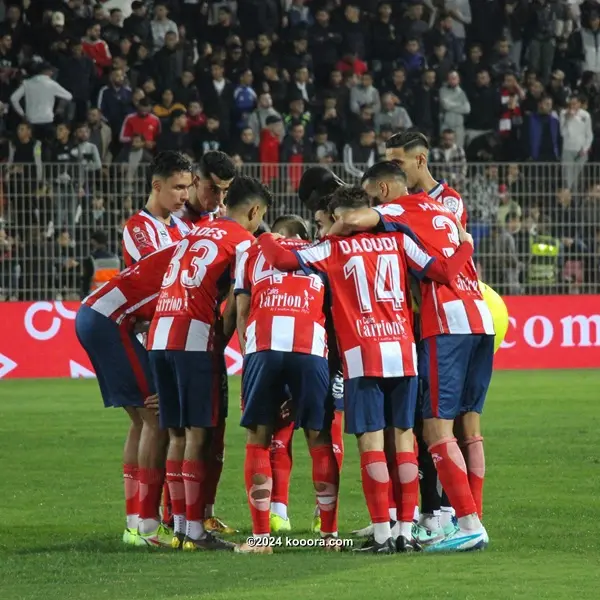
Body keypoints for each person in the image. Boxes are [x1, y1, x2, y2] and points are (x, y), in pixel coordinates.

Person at [258, 185, 475, 553]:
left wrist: (265, 236)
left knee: (372, 445)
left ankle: (381, 536)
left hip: (363, 355)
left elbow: (279, 260)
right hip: (403, 353)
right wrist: (466, 243)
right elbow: (442, 270)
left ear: (341, 217)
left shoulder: (333, 247)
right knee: (405, 442)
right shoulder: (398, 241)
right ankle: (406, 531)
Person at [331, 156, 495, 552]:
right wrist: (467, 246)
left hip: (446, 322)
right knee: (467, 428)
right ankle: (466, 519)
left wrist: (335, 227)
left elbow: (355, 221)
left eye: (371, 196)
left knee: (436, 428)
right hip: (482, 318)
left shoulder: (393, 210)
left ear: (383, 190)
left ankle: (468, 524)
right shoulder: (439, 209)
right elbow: (455, 256)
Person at [147, 176, 271, 551]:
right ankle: (195, 532)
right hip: (193, 336)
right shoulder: (244, 243)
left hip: (160, 332)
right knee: (199, 434)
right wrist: (222, 342)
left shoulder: (195, 231)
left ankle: (182, 528)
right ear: (254, 211)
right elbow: (236, 302)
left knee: (177, 434)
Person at [233, 213, 340, 554]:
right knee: (319, 439)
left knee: (259, 438)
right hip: (310, 347)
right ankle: (329, 537)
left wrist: (248, 361)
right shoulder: (320, 253)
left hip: (263, 345)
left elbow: (241, 311)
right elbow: (335, 315)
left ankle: (262, 539)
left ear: (278, 233)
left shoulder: (252, 251)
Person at [76, 243, 179, 547]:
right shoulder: (202, 266)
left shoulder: (183, 249)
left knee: (140, 420)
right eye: (179, 189)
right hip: (111, 322)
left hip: (95, 314)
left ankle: (134, 526)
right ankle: (147, 527)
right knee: (155, 417)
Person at [268, 167, 346, 536]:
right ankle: (279, 512)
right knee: (281, 428)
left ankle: (321, 514)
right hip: (299, 348)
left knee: (326, 429)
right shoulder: (324, 244)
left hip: (328, 351)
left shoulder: (329, 249)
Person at [122, 152, 192, 267]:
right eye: (179, 187)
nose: (186, 196)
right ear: (157, 186)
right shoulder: (138, 226)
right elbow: (155, 270)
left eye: (188, 188)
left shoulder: (186, 226)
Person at [80, 230, 121, 298]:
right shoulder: (116, 259)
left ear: (93, 241)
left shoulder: (91, 259)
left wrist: (83, 296)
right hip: (113, 295)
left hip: (95, 296)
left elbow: (86, 280)